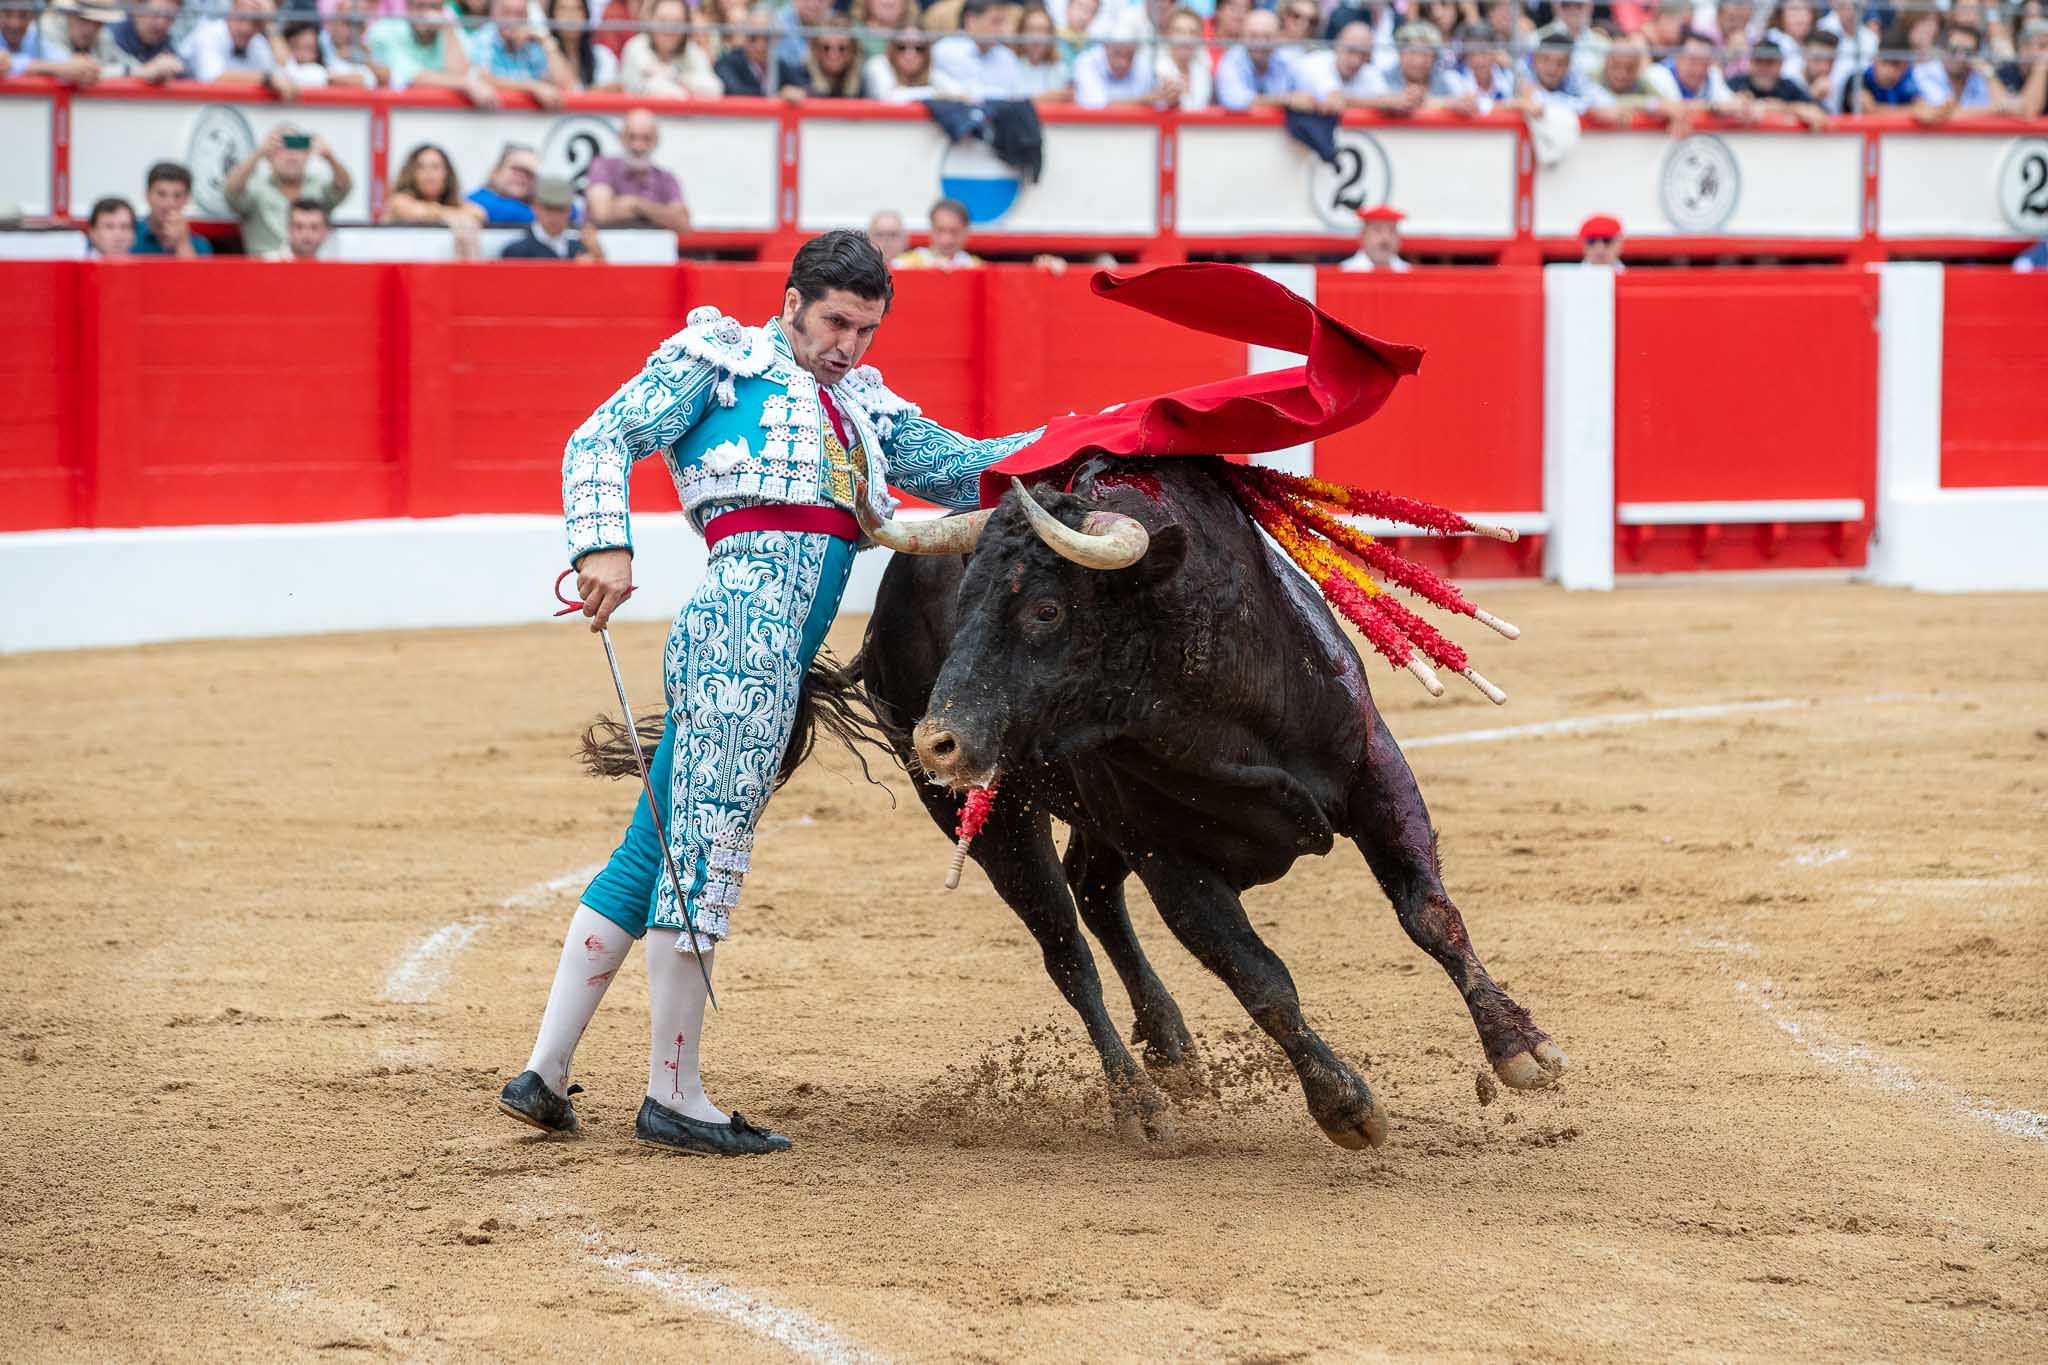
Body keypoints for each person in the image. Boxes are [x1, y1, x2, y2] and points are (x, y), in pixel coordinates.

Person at [500, 229, 1055, 1155]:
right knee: (708, 850)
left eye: (867, 330)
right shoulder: (719, 360)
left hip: (773, 655)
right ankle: (674, 1093)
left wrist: (1106, 436)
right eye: (836, 321)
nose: (849, 345)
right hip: (739, 639)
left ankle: (544, 1074)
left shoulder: (862, 407)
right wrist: (603, 541)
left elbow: (972, 464)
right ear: (792, 301)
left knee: (655, 853)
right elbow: (600, 435)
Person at [223, 124, 352, 257]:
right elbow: (231, 192)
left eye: (297, 147)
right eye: (282, 148)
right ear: (269, 157)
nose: (291, 155)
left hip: (310, 268)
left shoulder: (319, 185)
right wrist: (258, 153)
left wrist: (329, 157)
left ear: (308, 155)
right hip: (264, 269)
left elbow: (344, 187)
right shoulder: (256, 186)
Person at [584, 108, 691, 232]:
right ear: (621, 138)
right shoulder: (603, 167)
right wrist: (659, 213)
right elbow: (601, 213)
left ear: (656, 141)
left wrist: (635, 205)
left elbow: (682, 223)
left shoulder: (666, 178)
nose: (638, 146)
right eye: (632, 137)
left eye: (646, 138)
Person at [381, 141, 485, 258]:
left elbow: (479, 213)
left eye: (435, 167)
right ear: (411, 173)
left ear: (447, 173)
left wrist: (455, 216)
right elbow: (416, 213)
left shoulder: (453, 201)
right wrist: (451, 216)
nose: (429, 174)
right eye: (421, 167)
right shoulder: (399, 200)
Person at [465, 0, 574, 108]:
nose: (512, 20)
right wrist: (533, 88)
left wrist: (545, 40)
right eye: (506, 12)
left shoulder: (533, 43)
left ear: (527, 16)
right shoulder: (484, 38)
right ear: (494, 13)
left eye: (519, 14)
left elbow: (568, 86)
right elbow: (484, 79)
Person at [369, 0, 485, 99]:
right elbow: (413, 78)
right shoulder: (385, 30)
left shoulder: (450, 29)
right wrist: (465, 84)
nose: (428, 14)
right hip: (398, 113)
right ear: (408, 8)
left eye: (434, 7)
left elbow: (459, 73)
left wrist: (448, 30)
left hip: (439, 117)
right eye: (420, 6)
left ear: (443, 10)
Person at [1215, 7, 1310, 110]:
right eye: (1253, 36)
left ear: (1278, 37)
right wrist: (1286, 100)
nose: (1260, 43)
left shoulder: (1288, 58)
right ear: (1242, 36)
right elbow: (1233, 100)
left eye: (1267, 37)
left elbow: (1309, 92)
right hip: (1236, 126)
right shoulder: (1231, 60)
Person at [621, 0, 722, 97]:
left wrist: (674, 74)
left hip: (687, 114)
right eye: (662, 20)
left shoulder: (692, 51)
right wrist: (688, 89)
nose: (669, 28)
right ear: (651, 21)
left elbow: (715, 89)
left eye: (676, 22)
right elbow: (650, 89)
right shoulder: (636, 47)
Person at [931, 0, 1026, 100]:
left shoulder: (1007, 56)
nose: (1003, 29)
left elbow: (1018, 98)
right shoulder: (944, 51)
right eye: (996, 22)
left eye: (1004, 23)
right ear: (971, 21)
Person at [466, 142, 574, 225]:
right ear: (496, 171)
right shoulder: (475, 199)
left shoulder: (534, 201)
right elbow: (508, 213)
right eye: (516, 170)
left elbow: (572, 211)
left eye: (529, 173)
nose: (521, 177)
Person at [1729, 33, 1827, 125]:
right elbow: (1719, 105)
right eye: (1759, 61)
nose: (1763, 68)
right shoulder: (1736, 83)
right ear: (1750, 62)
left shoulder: (1789, 87)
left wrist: (1779, 107)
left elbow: (1816, 112)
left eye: (1769, 63)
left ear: (1780, 64)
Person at [5, 0, 108, 85]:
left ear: (32, 16)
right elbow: (5, 65)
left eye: (23, 15)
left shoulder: (33, 37)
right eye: (7, 14)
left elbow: (63, 62)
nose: (15, 24)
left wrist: (80, 68)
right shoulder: (47, 28)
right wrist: (56, 68)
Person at [501, 175, 602, 259]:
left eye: (560, 209)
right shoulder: (516, 252)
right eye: (549, 209)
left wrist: (597, 257)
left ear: (569, 210)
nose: (555, 216)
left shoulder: (581, 249)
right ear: (535, 207)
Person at [1072, 9, 1156, 106]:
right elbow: (1097, 104)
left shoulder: (1143, 63)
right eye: (1117, 53)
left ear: (1136, 50)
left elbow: (1155, 101)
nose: (1122, 63)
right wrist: (1144, 101)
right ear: (1105, 47)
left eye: (1128, 55)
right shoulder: (1086, 62)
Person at [133, 162, 213, 258]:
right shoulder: (129, 234)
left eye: (177, 195)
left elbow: (194, 273)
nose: (169, 203)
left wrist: (182, 243)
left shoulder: (200, 245)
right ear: (147, 195)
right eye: (161, 194)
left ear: (187, 199)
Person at [779, 12, 864, 97]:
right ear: (815, 50)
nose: (833, 55)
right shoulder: (798, 77)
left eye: (842, 49)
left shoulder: (861, 82)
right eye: (826, 48)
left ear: (852, 52)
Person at [104, 0, 188, 83]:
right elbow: (102, 72)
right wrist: (147, 70)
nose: (161, 24)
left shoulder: (164, 43)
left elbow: (186, 75)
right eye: (155, 14)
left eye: (169, 17)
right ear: (137, 8)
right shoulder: (110, 36)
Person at [892, 196, 979, 269]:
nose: (946, 239)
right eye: (940, 230)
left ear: (966, 232)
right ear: (931, 230)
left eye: (954, 232)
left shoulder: (975, 267)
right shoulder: (905, 264)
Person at [548, 0, 620, 89]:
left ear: (586, 14)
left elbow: (613, 89)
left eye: (577, 9)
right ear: (552, 15)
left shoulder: (602, 55)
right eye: (563, 9)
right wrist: (549, 46)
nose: (570, 16)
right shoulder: (545, 55)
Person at [1154, 6, 1212, 110]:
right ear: (1168, 35)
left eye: (1192, 33)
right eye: (1179, 31)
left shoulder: (1203, 69)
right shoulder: (1154, 69)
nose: (1186, 38)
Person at [1012, 4, 1072, 100]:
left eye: (1043, 30)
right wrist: (1050, 97)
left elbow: (1068, 97)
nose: (1037, 36)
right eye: (1031, 29)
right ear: (1021, 32)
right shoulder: (1010, 65)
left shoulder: (1059, 68)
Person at [713, 3, 775, 94]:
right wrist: (778, 94)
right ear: (743, 37)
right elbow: (736, 91)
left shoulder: (779, 64)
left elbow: (801, 87)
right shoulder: (726, 63)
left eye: (767, 37)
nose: (760, 45)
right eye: (753, 37)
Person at [863, 25, 934, 101]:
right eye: (902, 47)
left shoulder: (932, 67)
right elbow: (889, 98)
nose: (910, 55)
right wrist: (934, 93)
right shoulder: (877, 64)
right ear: (891, 50)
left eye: (919, 48)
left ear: (927, 54)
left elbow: (947, 91)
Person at [1338, 203, 1410, 273]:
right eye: (1377, 230)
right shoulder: (1343, 271)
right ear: (1362, 235)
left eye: (1392, 230)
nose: (1385, 237)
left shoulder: (1409, 272)